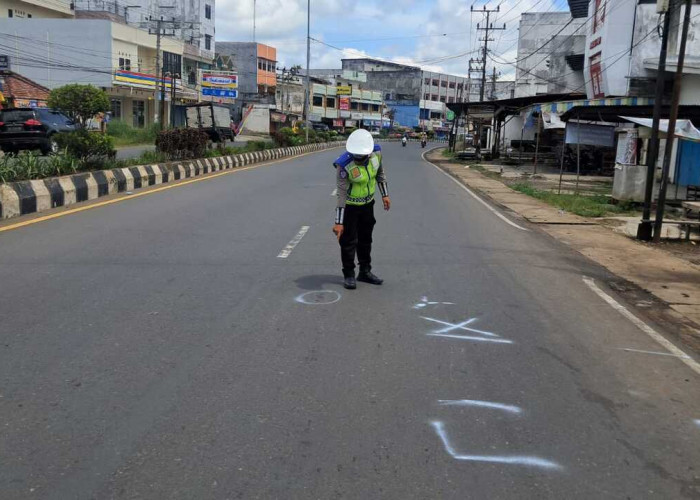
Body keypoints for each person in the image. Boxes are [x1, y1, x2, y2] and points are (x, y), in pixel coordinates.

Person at [332, 129, 391, 290]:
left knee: (366, 239)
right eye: (356, 156)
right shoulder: (343, 165)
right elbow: (341, 194)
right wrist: (339, 222)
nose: (358, 160)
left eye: (361, 157)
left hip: (368, 205)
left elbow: (380, 174)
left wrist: (385, 195)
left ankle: (365, 271)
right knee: (348, 241)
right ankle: (349, 274)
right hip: (350, 208)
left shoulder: (377, 154)